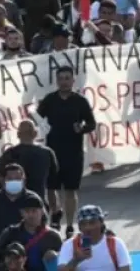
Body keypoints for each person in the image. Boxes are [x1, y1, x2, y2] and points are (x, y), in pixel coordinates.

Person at [37, 67, 95, 233]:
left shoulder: (80, 101)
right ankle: (55, 214)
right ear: (57, 81)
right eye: (61, 78)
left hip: (74, 151)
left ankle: (69, 225)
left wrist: (82, 128)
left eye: (67, 78)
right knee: (51, 188)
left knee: (70, 190)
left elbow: (92, 123)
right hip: (52, 150)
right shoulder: (49, 99)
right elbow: (37, 117)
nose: (64, 82)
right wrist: (40, 124)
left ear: (73, 80)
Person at [0, 194, 63, 271]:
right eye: (27, 211)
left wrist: (56, 257)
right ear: (21, 213)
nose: (31, 215)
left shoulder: (53, 236)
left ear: (42, 212)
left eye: (34, 211)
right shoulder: (10, 233)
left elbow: (66, 261)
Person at [55, 205, 132, 271]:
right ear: (79, 227)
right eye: (83, 224)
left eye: (92, 222)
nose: (88, 227)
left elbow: (126, 269)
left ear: (101, 223)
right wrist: (75, 260)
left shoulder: (116, 243)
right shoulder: (69, 245)